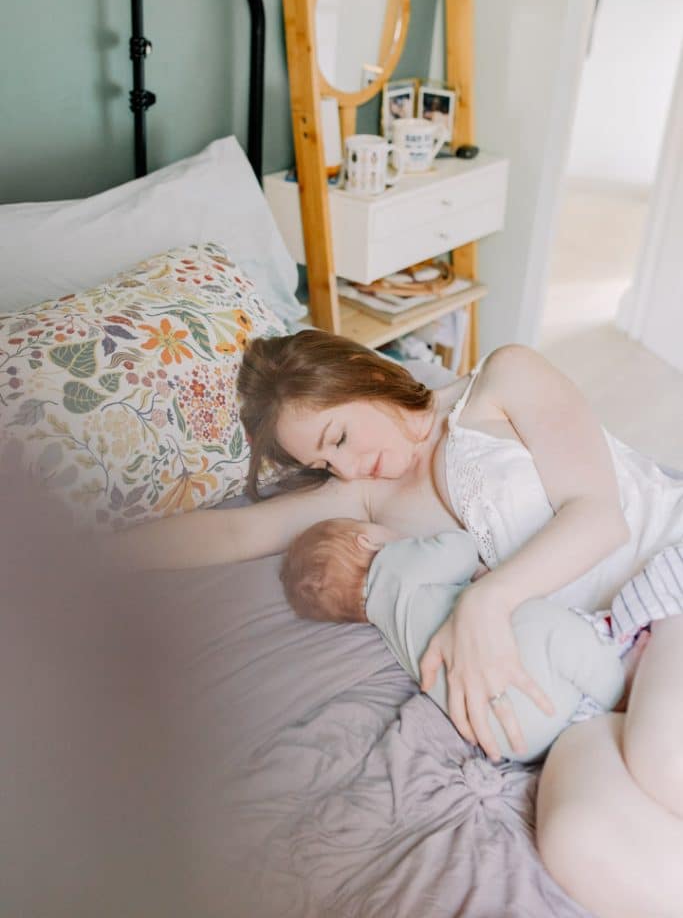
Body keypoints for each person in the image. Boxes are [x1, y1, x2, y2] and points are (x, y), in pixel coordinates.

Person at [116, 329, 683, 918]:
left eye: (338, 437)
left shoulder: (504, 379)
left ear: (366, 375)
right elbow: (235, 531)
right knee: (579, 840)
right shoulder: (364, 497)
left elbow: (599, 518)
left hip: (664, 582)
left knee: (664, 759)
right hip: (589, 674)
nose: (346, 465)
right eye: (323, 462)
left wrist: (484, 605)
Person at [280, 520, 629, 763]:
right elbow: (460, 549)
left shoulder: (388, 630)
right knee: (544, 625)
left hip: (511, 740)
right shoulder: (392, 564)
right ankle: (620, 687)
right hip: (527, 677)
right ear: (365, 540)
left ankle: (589, 717)